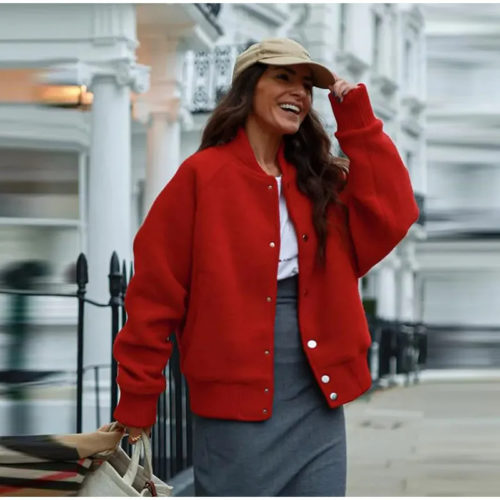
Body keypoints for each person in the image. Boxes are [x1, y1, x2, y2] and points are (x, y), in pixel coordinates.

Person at [112, 38, 419, 496]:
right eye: (283, 77)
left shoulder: (320, 181)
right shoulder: (201, 177)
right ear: (249, 87)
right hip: (234, 401)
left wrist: (356, 118)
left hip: (317, 394)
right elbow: (154, 296)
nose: (298, 91)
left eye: (306, 84)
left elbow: (395, 210)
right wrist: (137, 404)